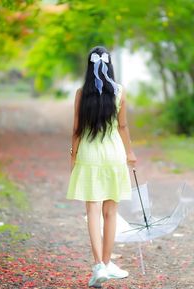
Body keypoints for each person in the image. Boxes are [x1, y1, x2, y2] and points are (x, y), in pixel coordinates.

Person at [66, 46, 137, 288]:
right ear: (109, 66)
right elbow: (123, 127)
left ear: (89, 67)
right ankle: (106, 264)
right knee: (111, 213)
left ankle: (98, 266)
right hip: (114, 155)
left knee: (93, 212)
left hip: (89, 156)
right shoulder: (119, 92)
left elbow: (76, 129)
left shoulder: (80, 93)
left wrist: (73, 155)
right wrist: (130, 153)